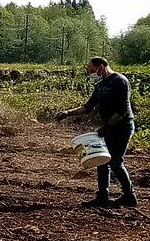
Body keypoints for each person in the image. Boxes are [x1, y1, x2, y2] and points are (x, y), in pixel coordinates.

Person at [55, 56, 138, 208]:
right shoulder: (100, 85)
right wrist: (67, 113)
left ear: (101, 66)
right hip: (109, 128)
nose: (91, 71)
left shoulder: (120, 81)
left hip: (122, 127)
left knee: (115, 162)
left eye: (92, 69)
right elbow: (88, 107)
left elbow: (123, 109)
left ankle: (129, 196)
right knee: (102, 160)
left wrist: (108, 126)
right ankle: (102, 196)